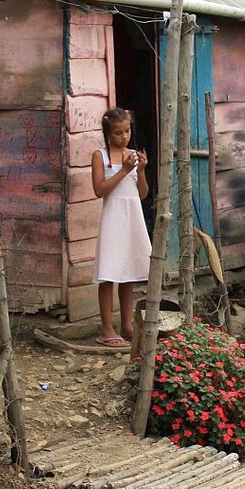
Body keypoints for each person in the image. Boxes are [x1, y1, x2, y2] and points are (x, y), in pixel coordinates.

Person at [91, 107, 151, 347]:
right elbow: (99, 190)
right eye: (118, 133)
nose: (124, 137)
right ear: (107, 133)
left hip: (132, 216)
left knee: (127, 274)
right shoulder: (101, 156)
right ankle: (106, 330)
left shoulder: (133, 155)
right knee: (108, 274)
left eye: (127, 131)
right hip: (113, 217)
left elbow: (143, 194)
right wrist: (125, 170)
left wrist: (141, 171)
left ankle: (126, 326)